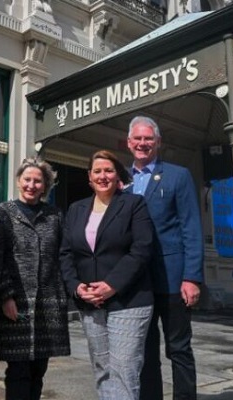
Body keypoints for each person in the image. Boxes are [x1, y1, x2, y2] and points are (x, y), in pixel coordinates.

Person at [59, 150, 155, 400]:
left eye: (109, 171)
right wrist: (76, 287)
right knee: (102, 370)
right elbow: (66, 253)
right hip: (90, 302)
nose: (103, 176)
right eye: (97, 171)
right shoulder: (76, 209)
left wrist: (112, 284)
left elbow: (142, 249)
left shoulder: (134, 204)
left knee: (124, 371)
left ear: (117, 175)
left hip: (129, 301)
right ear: (89, 177)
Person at [126, 116, 204, 400]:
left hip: (173, 280)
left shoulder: (178, 175)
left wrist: (192, 277)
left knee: (179, 349)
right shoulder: (121, 180)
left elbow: (191, 228)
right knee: (145, 351)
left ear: (158, 142)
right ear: (129, 143)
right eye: (138, 139)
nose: (143, 143)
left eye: (149, 139)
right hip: (136, 284)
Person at [0, 157, 70, 400]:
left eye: (38, 181)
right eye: (27, 179)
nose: (32, 185)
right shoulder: (2, 213)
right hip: (16, 302)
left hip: (48, 304)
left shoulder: (55, 215)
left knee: (39, 369)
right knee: (18, 370)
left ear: (45, 185)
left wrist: (64, 293)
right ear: (18, 181)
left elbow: (63, 254)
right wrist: (5, 296)